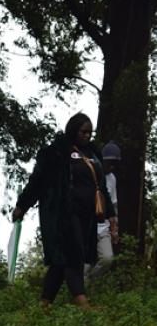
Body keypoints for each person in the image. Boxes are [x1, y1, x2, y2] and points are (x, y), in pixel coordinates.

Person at [12, 113, 116, 309]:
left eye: (89, 133)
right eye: (83, 132)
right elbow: (37, 181)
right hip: (62, 214)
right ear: (73, 130)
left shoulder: (93, 153)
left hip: (88, 215)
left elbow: (101, 186)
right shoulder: (56, 152)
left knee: (60, 263)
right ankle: (81, 301)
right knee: (73, 254)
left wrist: (111, 215)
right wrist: (22, 205)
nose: (86, 136)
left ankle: (44, 304)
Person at [87, 140, 120, 278]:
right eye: (109, 162)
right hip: (87, 225)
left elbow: (114, 205)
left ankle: (88, 281)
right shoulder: (90, 171)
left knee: (107, 259)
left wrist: (114, 229)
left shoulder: (112, 179)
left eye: (114, 163)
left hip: (103, 226)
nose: (111, 166)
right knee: (85, 262)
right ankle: (78, 292)